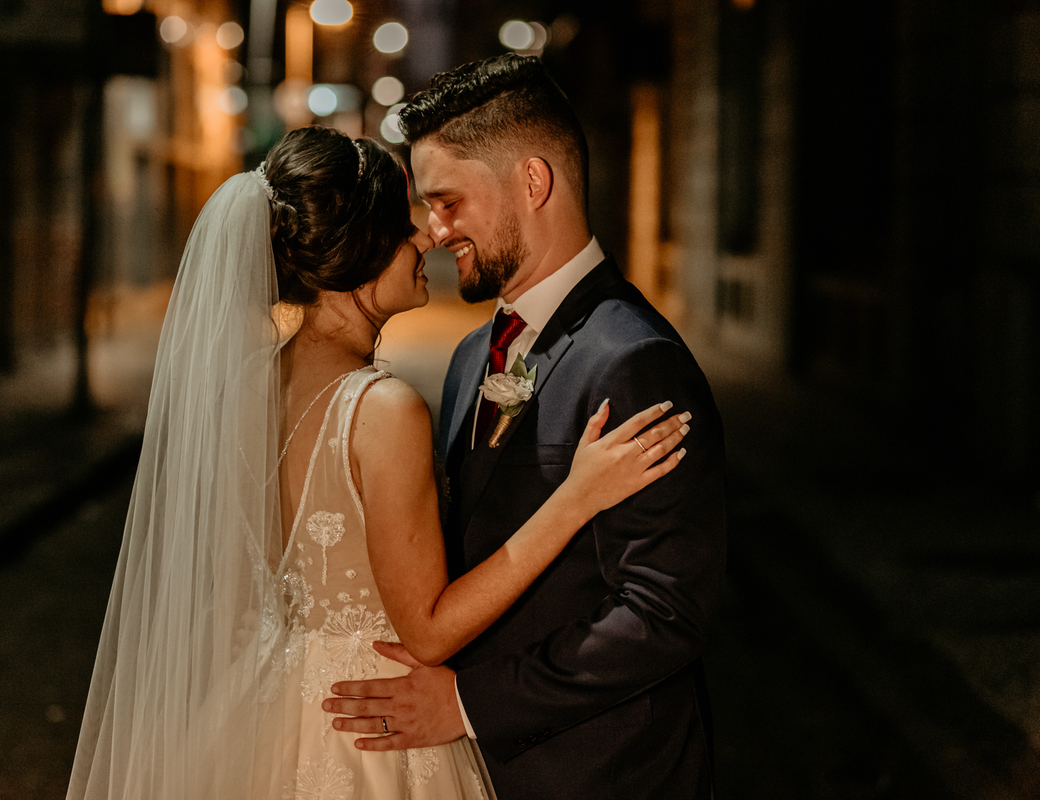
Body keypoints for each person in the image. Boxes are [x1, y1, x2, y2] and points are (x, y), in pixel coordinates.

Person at [66, 124, 691, 800]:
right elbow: (425, 631)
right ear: (360, 250)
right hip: (371, 726)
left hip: (275, 710)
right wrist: (576, 497)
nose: (426, 237)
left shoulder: (252, 383)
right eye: (403, 226)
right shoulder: (381, 408)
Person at [324, 55, 728, 799]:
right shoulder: (474, 351)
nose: (435, 231)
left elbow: (664, 612)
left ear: (533, 182)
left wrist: (468, 702)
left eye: (448, 202)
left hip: (603, 775)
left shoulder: (634, 359)